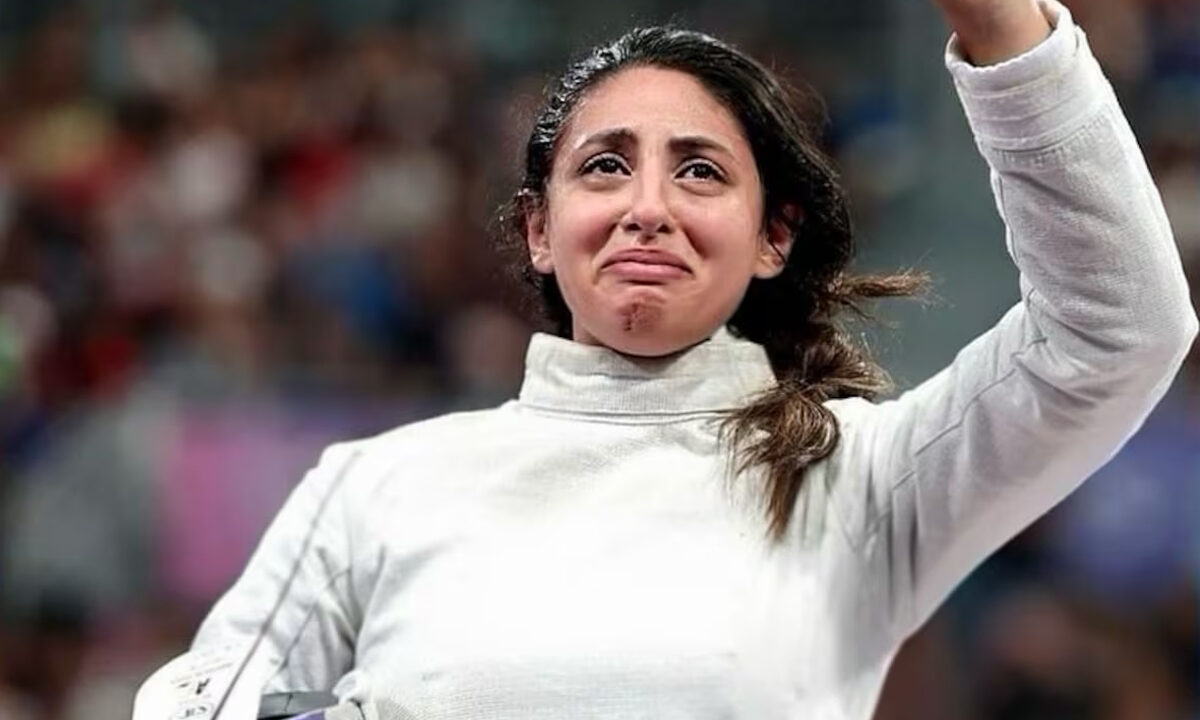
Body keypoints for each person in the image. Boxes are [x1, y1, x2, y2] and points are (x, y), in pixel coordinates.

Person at [181, 0, 1197, 718]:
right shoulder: (375, 484)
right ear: (540, 229)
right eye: (604, 166)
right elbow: (197, 701)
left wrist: (1004, 28)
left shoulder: (860, 475)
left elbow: (1119, 328)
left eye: (700, 172)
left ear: (772, 237)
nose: (648, 208)